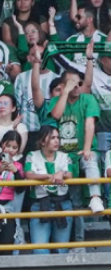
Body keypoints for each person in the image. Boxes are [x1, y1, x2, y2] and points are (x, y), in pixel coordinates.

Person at [47, 70, 104, 214]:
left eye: (80, 83)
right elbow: (56, 115)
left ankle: (95, 197)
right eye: (74, 84)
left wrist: (86, 148)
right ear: (63, 85)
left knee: (89, 160)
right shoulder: (56, 100)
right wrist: (65, 92)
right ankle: (78, 236)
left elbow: (90, 124)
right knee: (75, 200)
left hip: (84, 149)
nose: (78, 87)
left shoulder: (88, 99)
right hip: (64, 154)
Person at [24, 125, 72, 254]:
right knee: (40, 251)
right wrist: (47, 176)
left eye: (58, 138)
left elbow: (70, 174)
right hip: (40, 205)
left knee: (61, 251)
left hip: (62, 205)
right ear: (42, 141)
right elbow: (28, 174)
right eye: (52, 138)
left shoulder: (64, 156)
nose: (56, 141)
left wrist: (61, 173)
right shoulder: (32, 155)